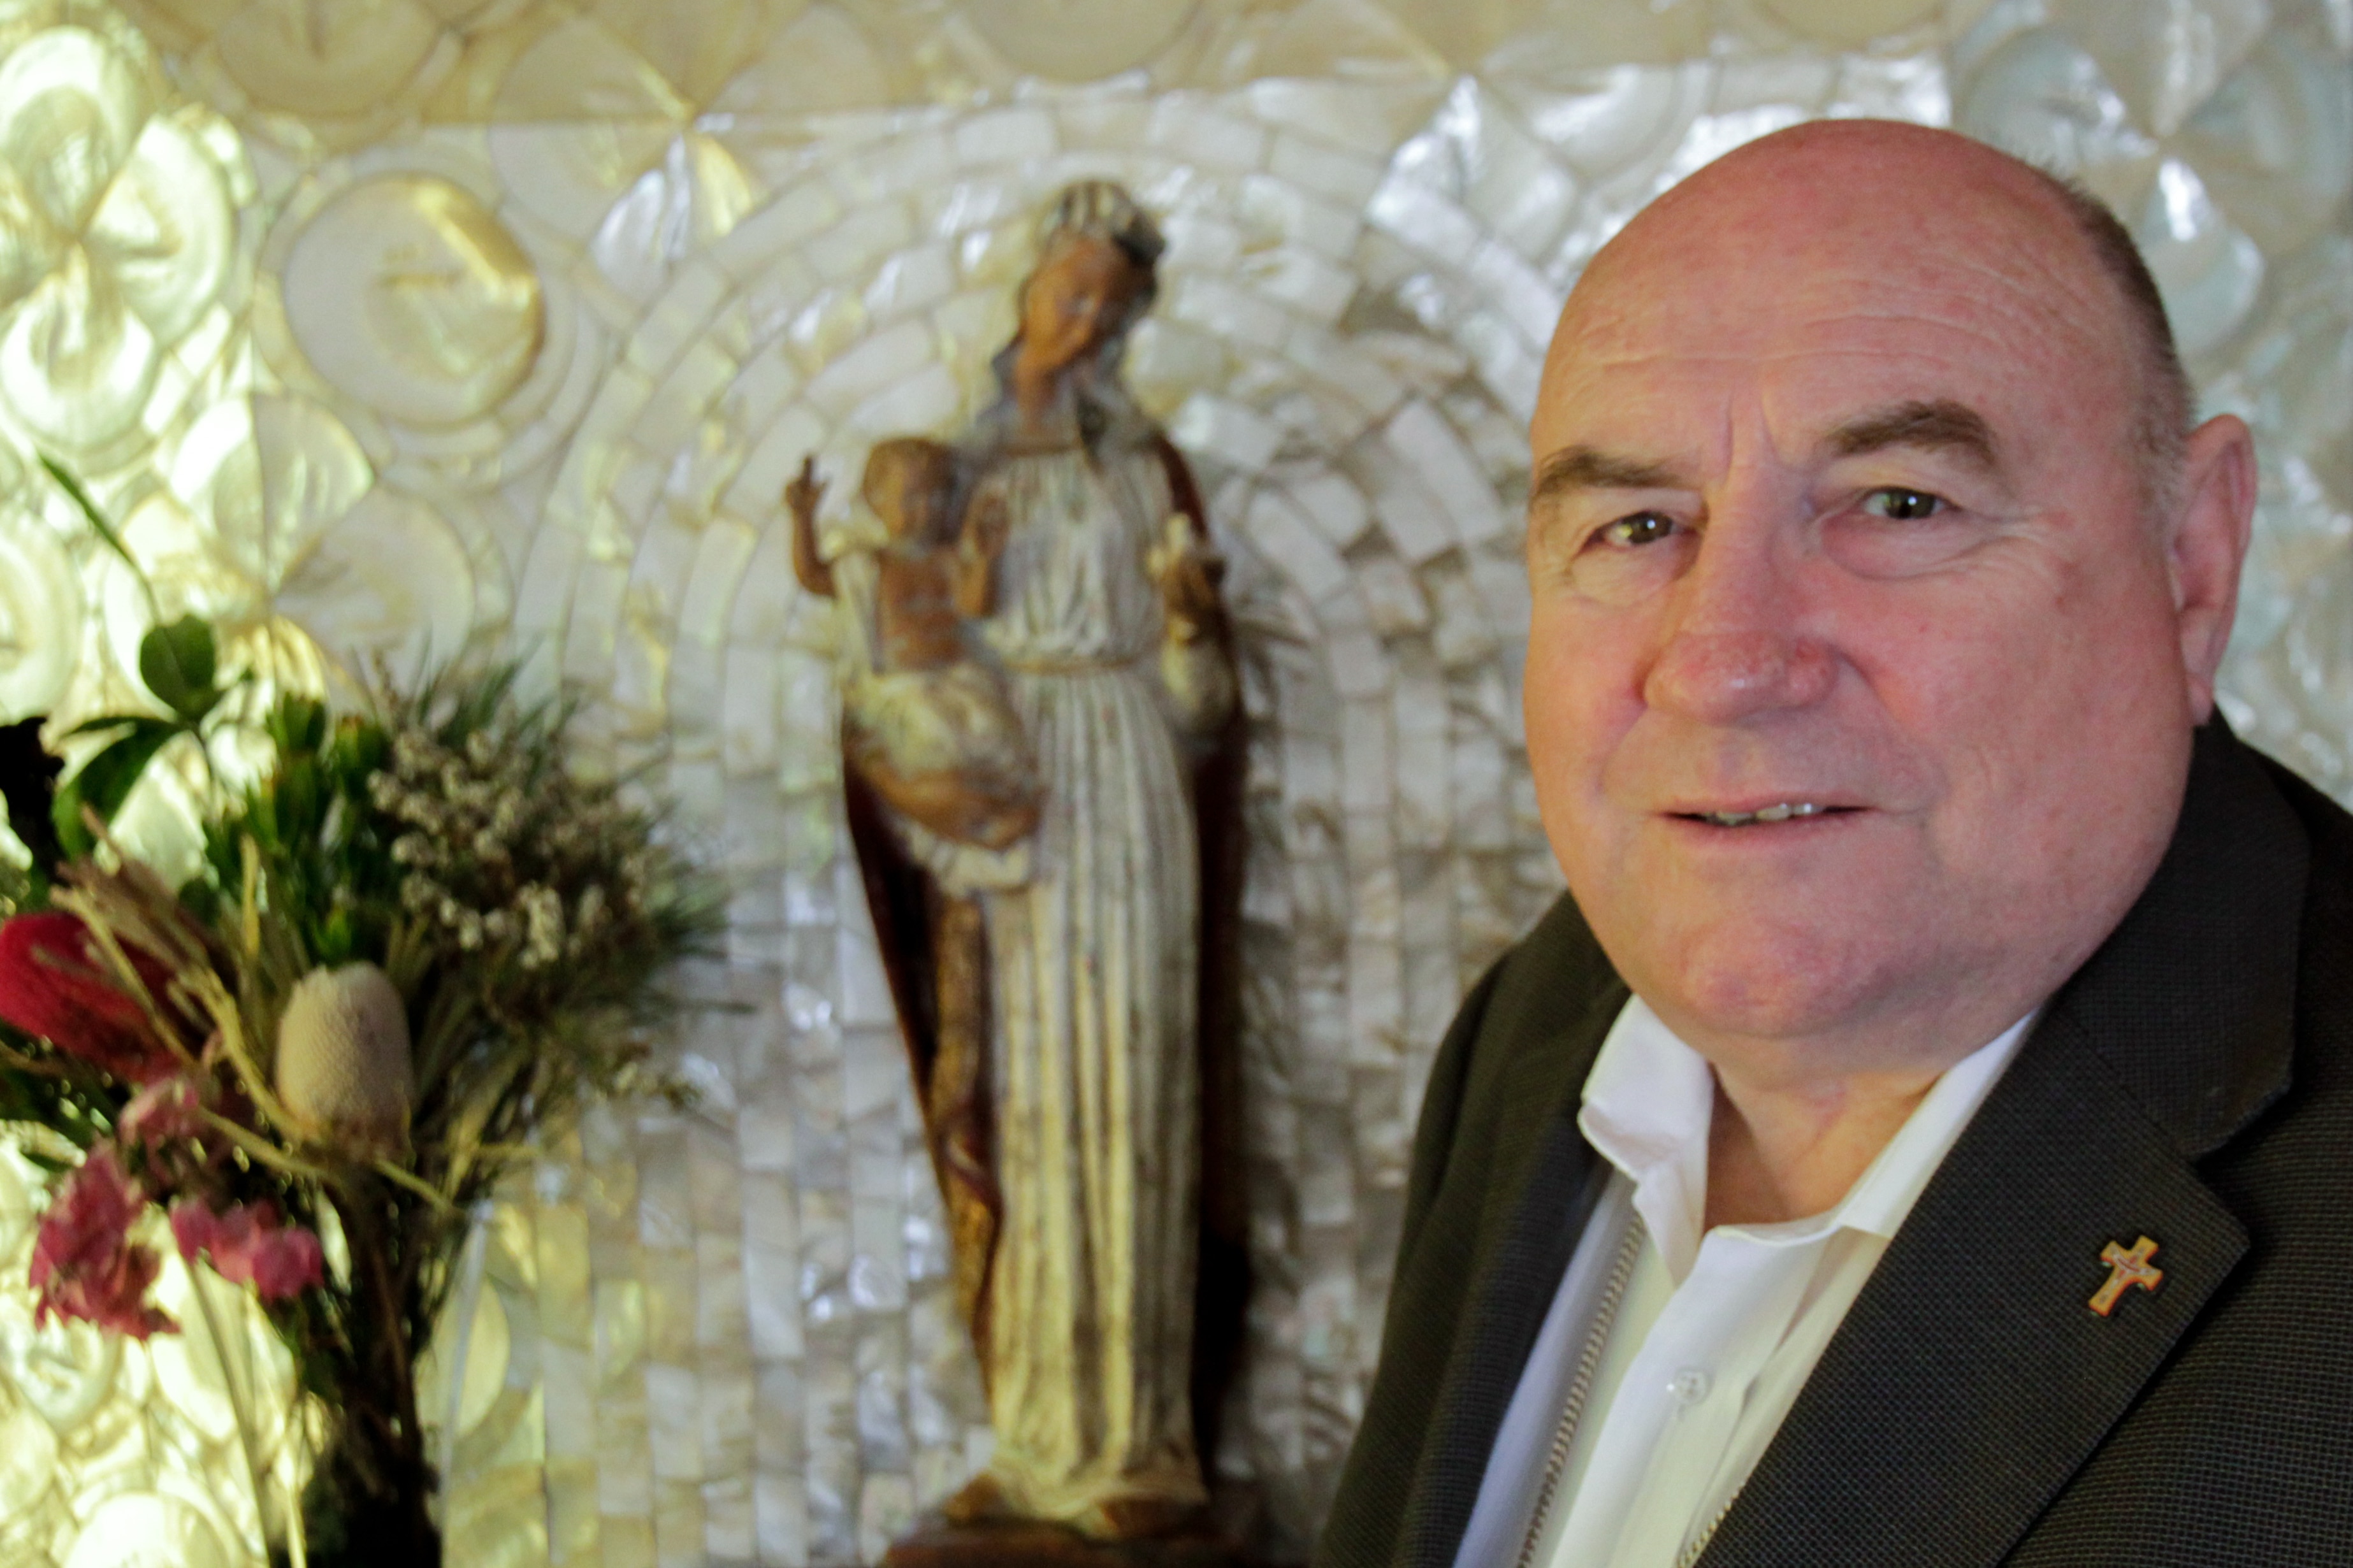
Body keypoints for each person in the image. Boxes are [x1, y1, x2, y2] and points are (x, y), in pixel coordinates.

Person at [1321, 119, 2353, 1567]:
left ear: (2189, 563)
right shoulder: (1545, 1024)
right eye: (1632, 524)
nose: (1724, 662)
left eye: (1899, 504)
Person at [841, 181, 1241, 1544]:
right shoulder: (943, 469)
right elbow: (893, 648)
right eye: (1065, 291)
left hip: (1123, 785)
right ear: (1025, 286)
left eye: (1107, 306)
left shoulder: (1138, 468)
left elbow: (1200, 714)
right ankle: (1033, 1441)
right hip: (1006, 808)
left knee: (1128, 1092)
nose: (1079, 322)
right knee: (1026, 1110)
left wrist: (1189, 631)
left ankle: (1137, 1440)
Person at [786, 438, 1041, 852]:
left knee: (992, 734)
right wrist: (802, 518)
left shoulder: (946, 560)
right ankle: (979, 827)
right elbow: (813, 576)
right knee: (937, 742)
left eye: (935, 497)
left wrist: (986, 560)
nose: (924, 511)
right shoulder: (867, 566)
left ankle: (1002, 806)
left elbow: (975, 606)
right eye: (910, 499)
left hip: (958, 679)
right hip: (904, 690)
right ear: (876, 501)